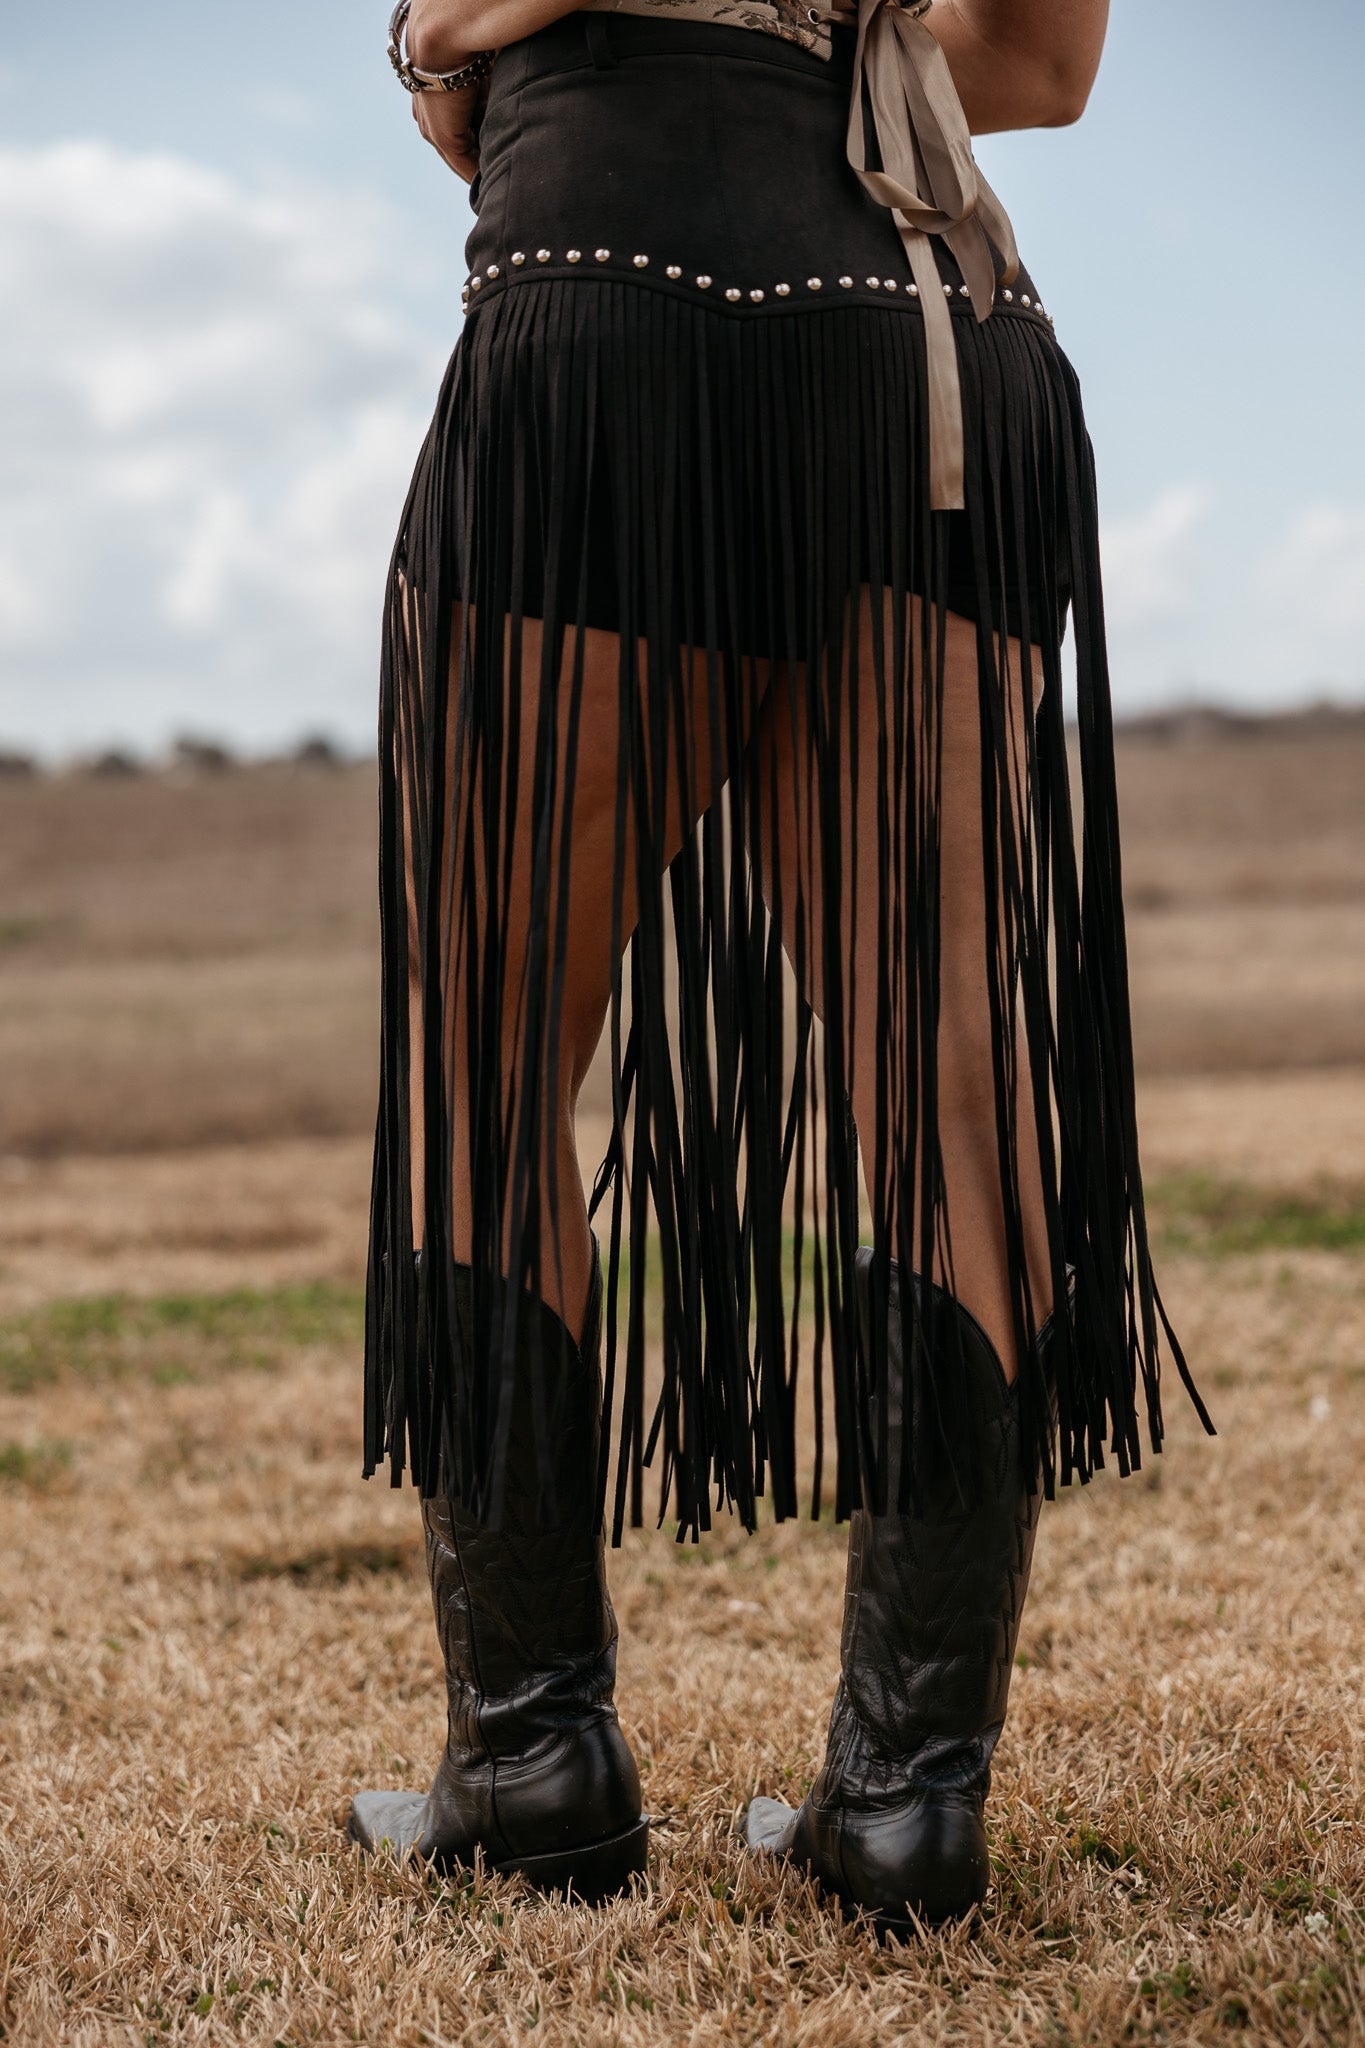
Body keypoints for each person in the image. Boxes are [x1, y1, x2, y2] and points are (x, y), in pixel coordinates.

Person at [348, 0, 1214, 1931]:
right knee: (951, 1091)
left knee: (484, 1071)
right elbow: (1045, 68)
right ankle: (905, 1806)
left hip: (616, 297)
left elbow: (473, 51)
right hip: (920, 339)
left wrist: (427, 47)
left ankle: (531, 1758)